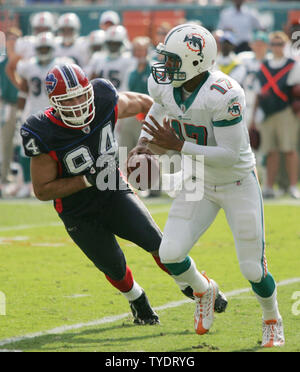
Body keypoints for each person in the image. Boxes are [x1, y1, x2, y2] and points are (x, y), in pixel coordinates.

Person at [20, 63, 226, 325]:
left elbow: (144, 104)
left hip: (113, 190)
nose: (78, 103)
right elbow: (42, 190)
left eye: (82, 94)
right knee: (113, 266)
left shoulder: (103, 99)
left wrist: (154, 136)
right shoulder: (42, 131)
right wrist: (85, 180)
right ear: (54, 102)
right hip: (76, 210)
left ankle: (196, 286)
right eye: (69, 99)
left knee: (159, 245)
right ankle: (137, 299)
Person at [129, 24, 284, 347]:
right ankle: (203, 290)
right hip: (198, 179)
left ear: (194, 61)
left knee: (252, 270)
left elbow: (229, 155)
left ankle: (272, 318)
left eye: (172, 60)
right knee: (170, 253)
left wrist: (177, 145)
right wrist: (144, 144)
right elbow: (160, 106)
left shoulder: (224, 93)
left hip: (237, 181)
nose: (165, 67)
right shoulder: (166, 83)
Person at [251, 31, 300, 199]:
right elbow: (258, 93)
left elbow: (296, 90)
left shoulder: (293, 64)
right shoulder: (263, 65)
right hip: (267, 112)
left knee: (289, 149)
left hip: (285, 111)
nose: (276, 47)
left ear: (285, 45)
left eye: (280, 44)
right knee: (270, 151)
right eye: (274, 44)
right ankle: (269, 186)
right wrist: (253, 118)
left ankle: (293, 186)